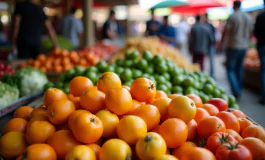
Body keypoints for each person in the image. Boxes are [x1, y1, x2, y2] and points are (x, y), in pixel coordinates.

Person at [221, 0, 253, 98]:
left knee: (230, 69)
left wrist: (222, 43)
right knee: (239, 68)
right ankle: (239, 88)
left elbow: (226, 31)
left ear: (234, 6)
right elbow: (251, 32)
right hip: (244, 46)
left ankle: (236, 90)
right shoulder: (248, 17)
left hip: (233, 46)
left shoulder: (233, 16)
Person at [254, 1, 265, 104]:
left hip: (262, 46)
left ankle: (264, 96)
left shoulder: (260, 16)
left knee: (264, 71)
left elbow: (255, 32)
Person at [203, 13, 216, 78]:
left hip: (210, 45)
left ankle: (212, 74)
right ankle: (204, 74)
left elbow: (213, 36)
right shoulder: (204, 25)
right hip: (205, 45)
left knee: (211, 60)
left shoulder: (210, 26)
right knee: (204, 60)